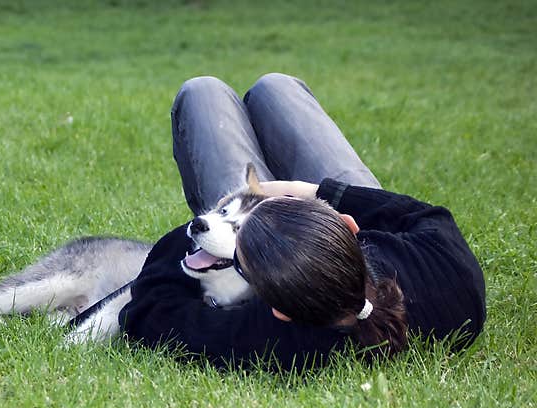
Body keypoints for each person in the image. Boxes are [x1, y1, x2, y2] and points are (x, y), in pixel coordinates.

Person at [118, 74, 486, 371]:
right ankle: (271, 215)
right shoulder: (444, 266)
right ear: (349, 224)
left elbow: (149, 312)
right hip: (326, 227)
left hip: (258, 239)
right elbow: (423, 216)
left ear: (278, 311)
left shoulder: (274, 339)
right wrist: (303, 189)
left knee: (202, 93)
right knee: (275, 88)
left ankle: (247, 218)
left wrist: (214, 225)